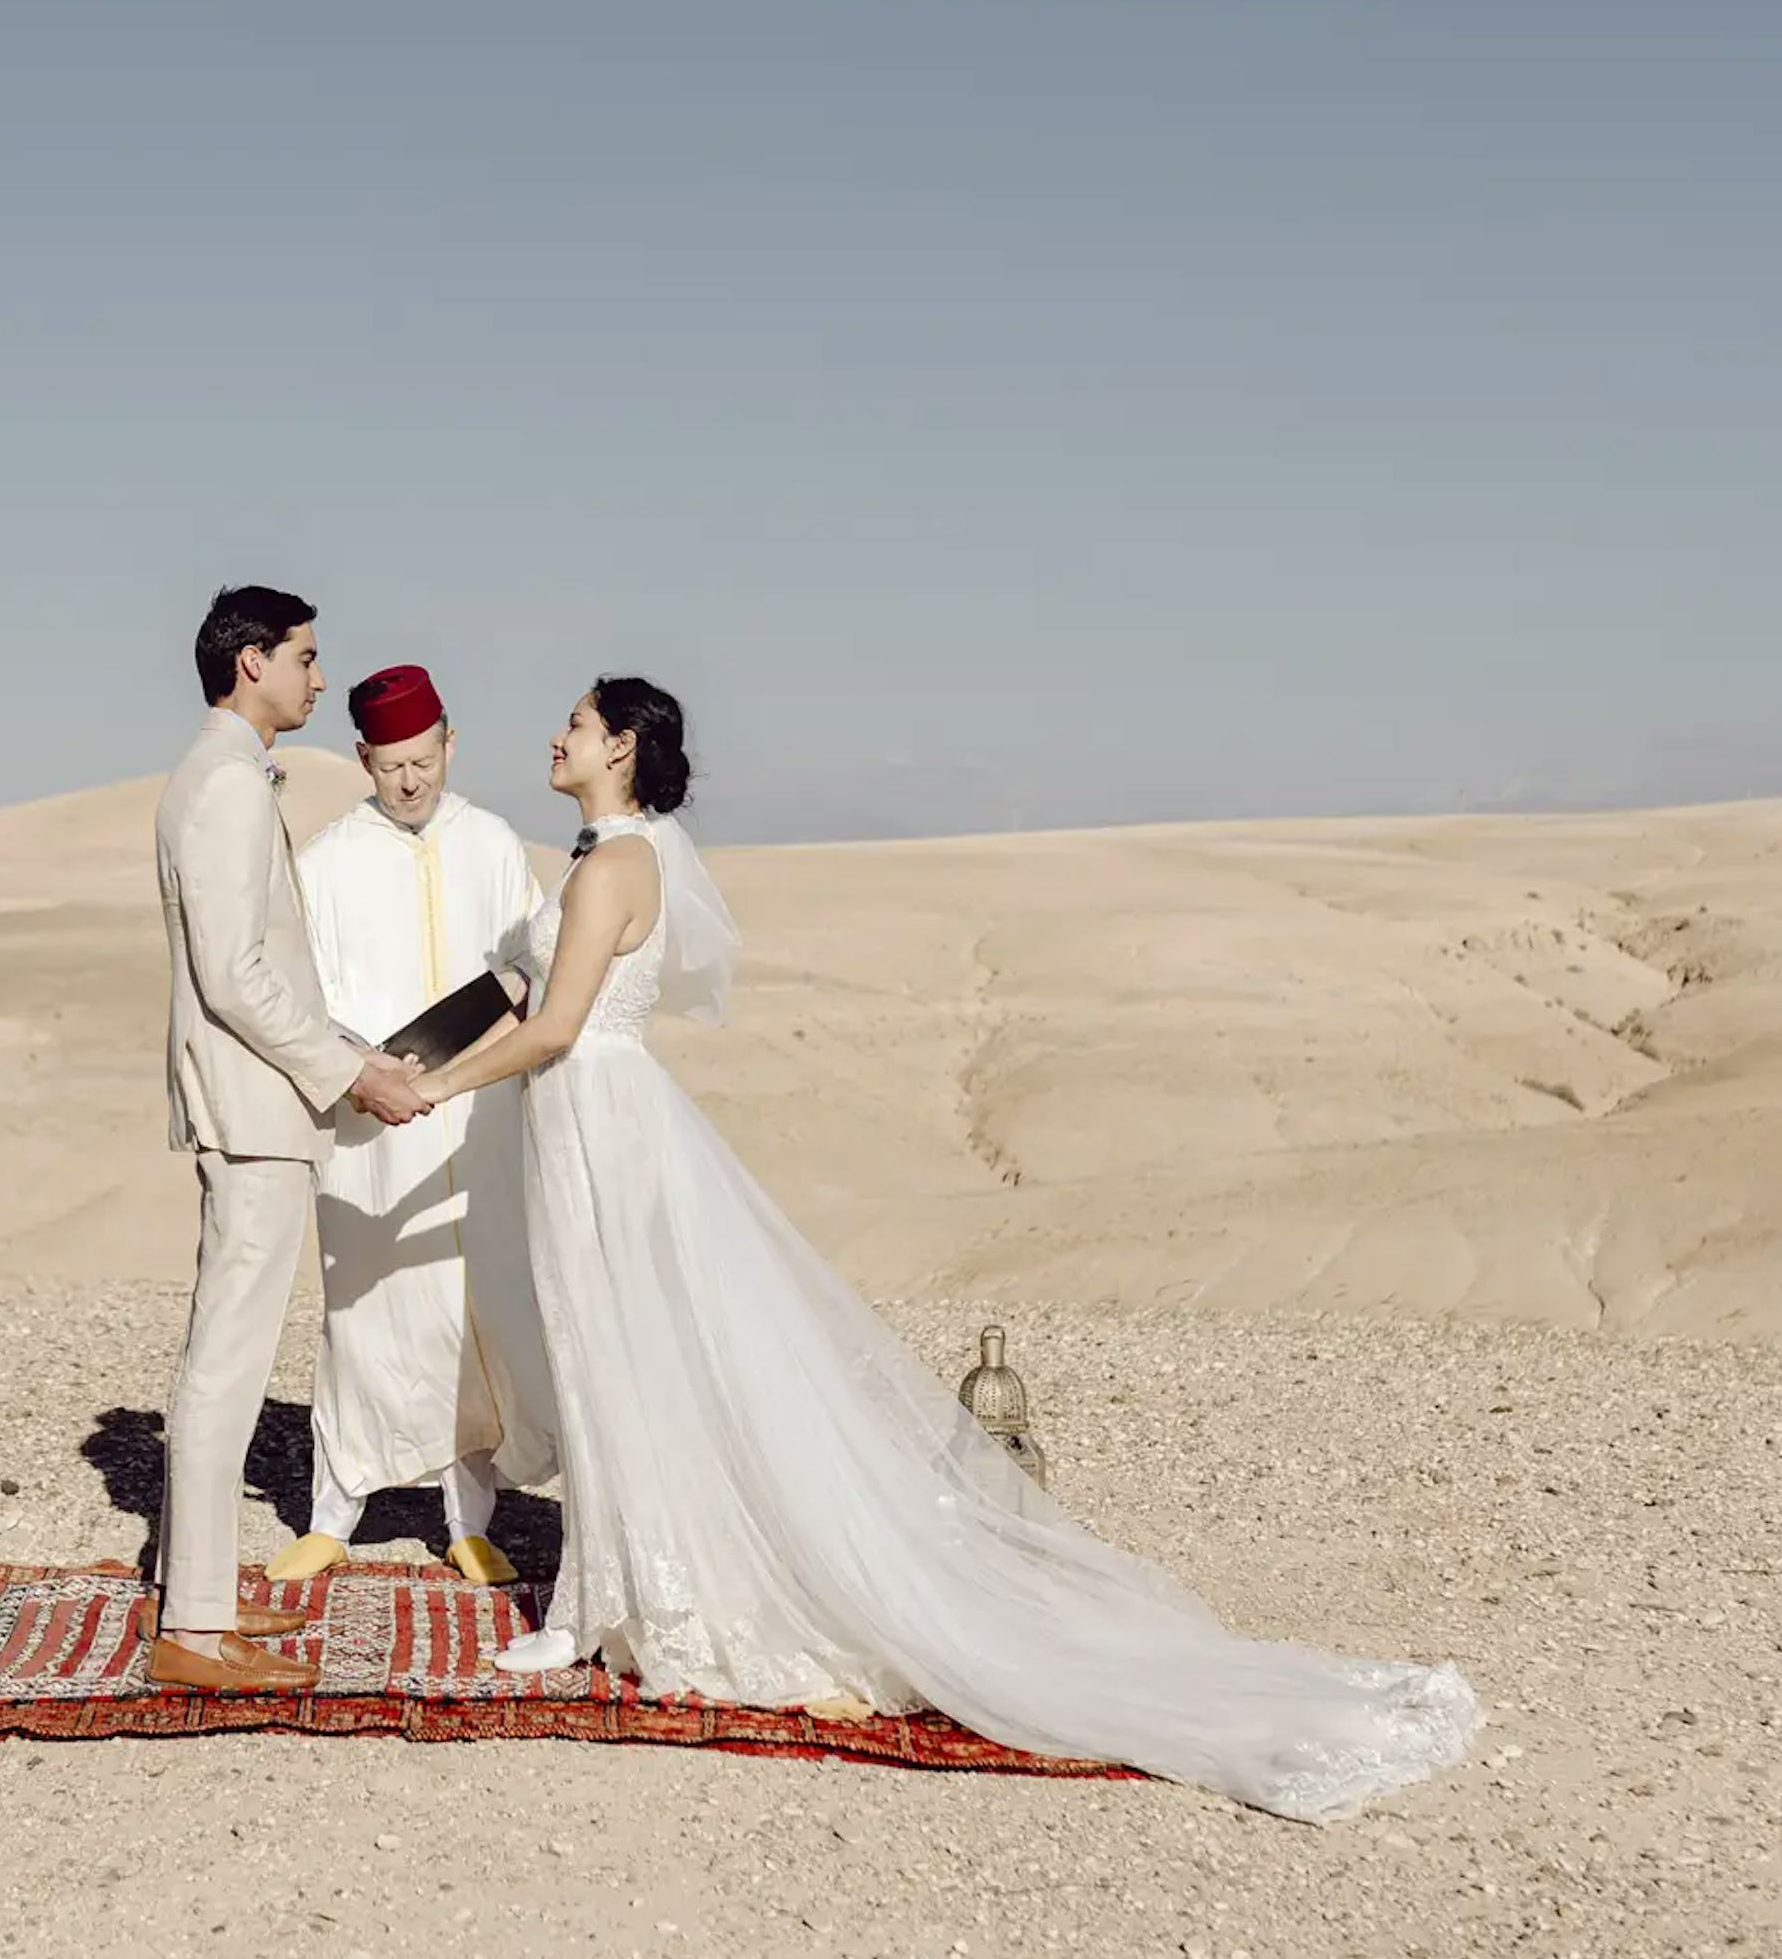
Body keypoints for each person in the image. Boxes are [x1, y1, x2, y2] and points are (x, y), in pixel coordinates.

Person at [409, 676, 1484, 1819]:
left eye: (575, 724)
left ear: (620, 747)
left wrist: (427, 1089)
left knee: (618, 1350)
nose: (555, 736)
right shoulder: (605, 860)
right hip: (585, 1121)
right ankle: (613, 1587)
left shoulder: (616, 865)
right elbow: (531, 995)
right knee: (608, 1351)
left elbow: (562, 1026)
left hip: (601, 1121)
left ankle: (602, 1607)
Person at [145, 585, 432, 1695]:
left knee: (230, 1352)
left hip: (271, 1102)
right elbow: (235, 976)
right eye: (307, 658)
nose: (320, 677)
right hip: (254, 1111)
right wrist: (349, 1069)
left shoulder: (229, 776)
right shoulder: (221, 783)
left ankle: (204, 1603)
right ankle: (191, 1630)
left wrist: (359, 1056)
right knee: (225, 1362)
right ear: (251, 661)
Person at [276, 664, 558, 1588]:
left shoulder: (493, 842)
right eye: (391, 764)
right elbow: (304, 995)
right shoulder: (322, 861)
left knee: (472, 1307)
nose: (410, 779)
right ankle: (332, 1510)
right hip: (368, 1127)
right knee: (362, 1312)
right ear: (363, 757)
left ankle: (466, 1516)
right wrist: (367, 1069)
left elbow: (527, 966)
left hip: (476, 1117)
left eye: (424, 758)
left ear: (449, 742)